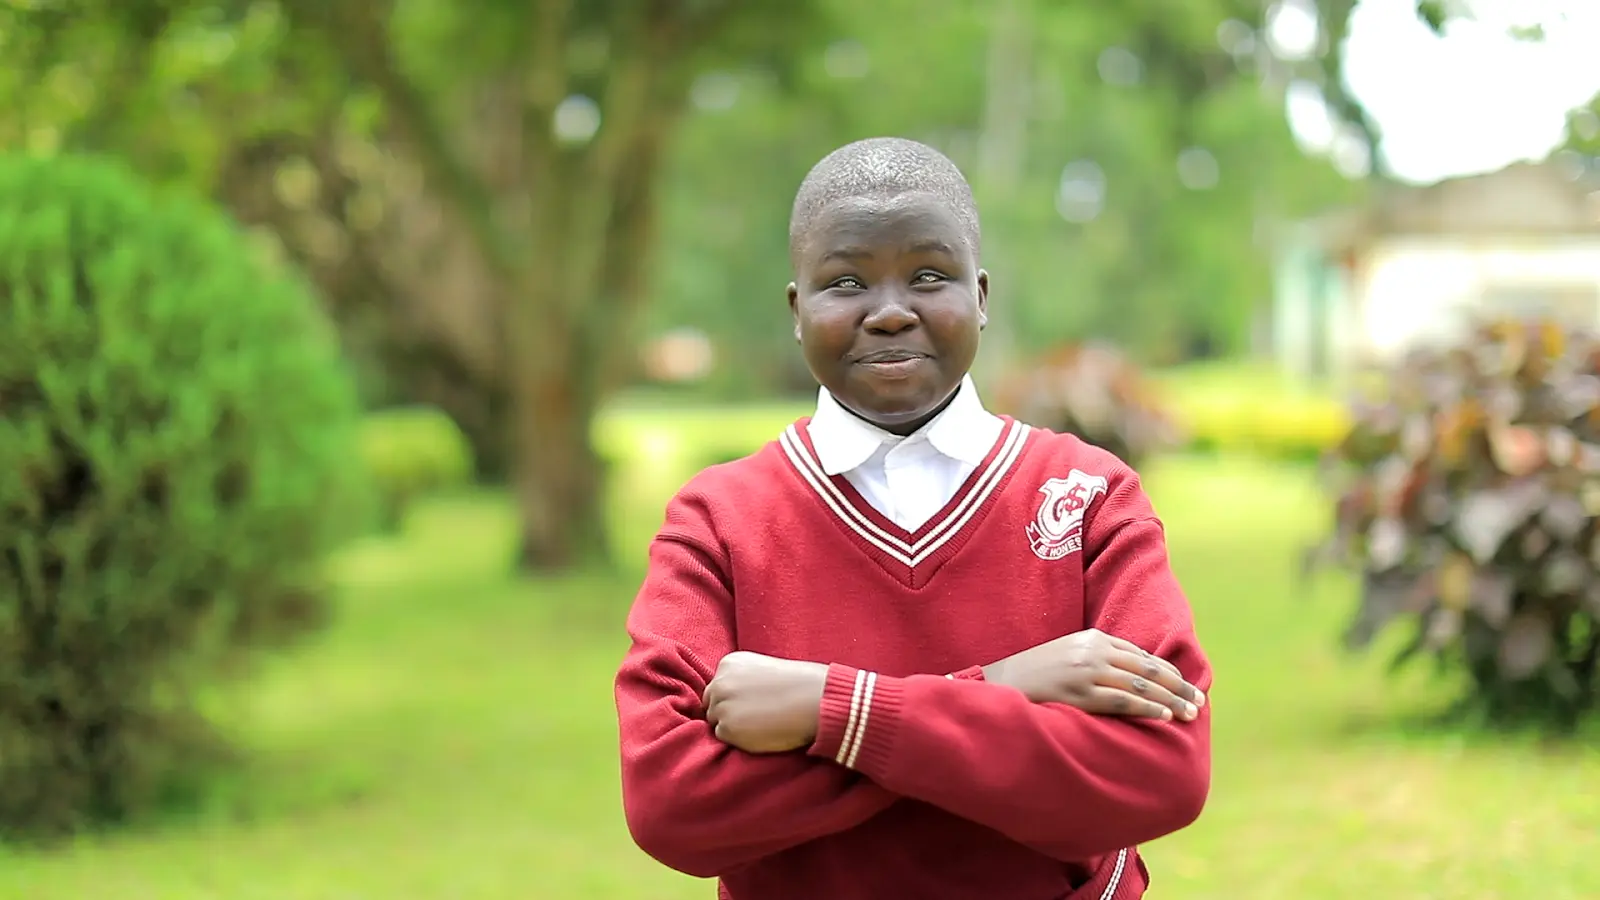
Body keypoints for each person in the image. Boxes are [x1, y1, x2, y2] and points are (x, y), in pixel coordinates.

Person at [613, 136, 1213, 900]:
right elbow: (673, 803)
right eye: (845, 281)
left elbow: (1162, 772)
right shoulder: (720, 521)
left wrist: (825, 710)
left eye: (929, 275)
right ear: (798, 310)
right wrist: (1005, 688)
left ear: (983, 297)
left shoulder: (1087, 494)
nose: (891, 312)